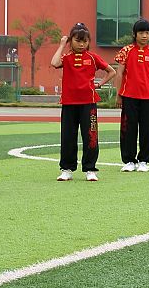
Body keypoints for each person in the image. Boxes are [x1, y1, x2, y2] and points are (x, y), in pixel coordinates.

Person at [49, 23, 118, 182]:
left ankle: (90, 169)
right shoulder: (66, 58)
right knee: (68, 137)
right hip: (69, 103)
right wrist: (62, 44)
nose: (81, 44)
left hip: (89, 103)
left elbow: (112, 71)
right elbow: (54, 63)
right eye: (77, 41)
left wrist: (99, 84)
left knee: (91, 136)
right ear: (71, 41)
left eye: (85, 41)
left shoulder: (93, 57)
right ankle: (67, 169)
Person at [113, 19, 149, 173]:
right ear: (134, 34)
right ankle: (129, 161)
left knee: (148, 130)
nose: (144, 36)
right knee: (128, 129)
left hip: (148, 97)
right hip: (129, 96)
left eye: (147, 33)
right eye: (141, 33)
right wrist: (118, 95)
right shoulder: (126, 51)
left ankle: (144, 161)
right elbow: (119, 73)